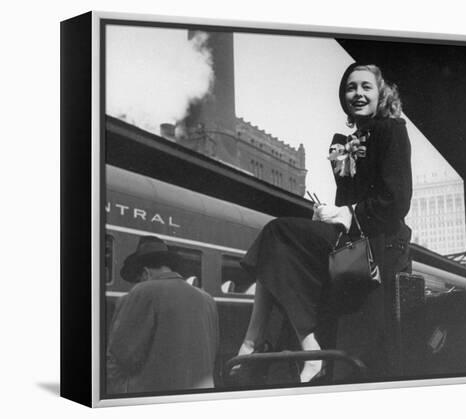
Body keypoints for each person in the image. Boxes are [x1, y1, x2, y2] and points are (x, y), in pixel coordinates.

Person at [234, 63, 412, 383]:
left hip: (377, 244)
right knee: (278, 246)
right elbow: (347, 200)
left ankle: (255, 343)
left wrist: (345, 214)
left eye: (365, 87)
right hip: (353, 242)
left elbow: (396, 201)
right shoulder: (347, 142)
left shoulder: (391, 130)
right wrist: (328, 213)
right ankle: (293, 345)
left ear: (380, 92)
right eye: (350, 88)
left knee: (277, 233)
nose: (357, 93)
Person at [106, 235, 219, 394]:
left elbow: (120, 358)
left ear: (145, 273)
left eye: (137, 279)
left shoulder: (142, 291)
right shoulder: (208, 299)